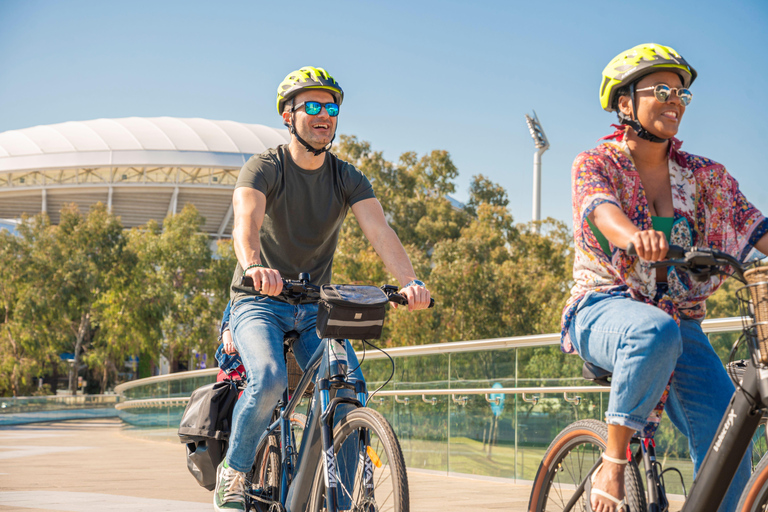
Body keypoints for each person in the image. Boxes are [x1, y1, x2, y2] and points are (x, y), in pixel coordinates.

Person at [214, 66, 432, 512]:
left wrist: (410, 282)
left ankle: (344, 495)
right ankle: (233, 472)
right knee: (270, 378)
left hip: (315, 306)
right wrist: (255, 267)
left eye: (331, 107)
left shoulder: (346, 177)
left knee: (350, 386)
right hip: (259, 301)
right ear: (287, 116)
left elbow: (381, 232)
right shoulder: (266, 166)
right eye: (311, 106)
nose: (323, 115)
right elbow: (245, 224)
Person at [562, 43, 768, 512]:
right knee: (652, 331)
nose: (675, 101)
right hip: (602, 306)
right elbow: (601, 211)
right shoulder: (595, 163)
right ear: (625, 102)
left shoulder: (705, 176)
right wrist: (634, 236)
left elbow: (756, 227)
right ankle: (613, 462)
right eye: (661, 90)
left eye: (681, 94)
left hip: (681, 321)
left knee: (730, 433)